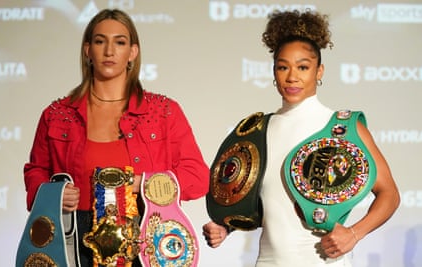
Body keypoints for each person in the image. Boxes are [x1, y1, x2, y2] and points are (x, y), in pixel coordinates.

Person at [202, 9, 400, 266]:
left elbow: (390, 194)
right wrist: (226, 227)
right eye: (283, 67)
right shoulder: (258, 130)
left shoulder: (343, 126)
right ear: (274, 72)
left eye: (303, 67)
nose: (292, 77)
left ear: (319, 71)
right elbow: (266, 206)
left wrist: (354, 233)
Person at [23, 8, 209, 266]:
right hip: (73, 243)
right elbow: (36, 172)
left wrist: (143, 184)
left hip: (145, 240)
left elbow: (198, 177)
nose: (109, 51)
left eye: (119, 42)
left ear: (132, 52)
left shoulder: (164, 111)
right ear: (88, 50)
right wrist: (53, 194)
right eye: (100, 41)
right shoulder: (56, 114)